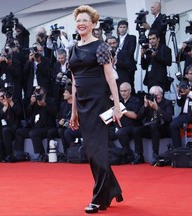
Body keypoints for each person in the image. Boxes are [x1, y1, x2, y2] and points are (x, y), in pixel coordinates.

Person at [69, 5, 123, 214]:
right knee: (92, 153)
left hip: (99, 103)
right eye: (78, 20)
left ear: (93, 24)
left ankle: (99, 198)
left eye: (85, 20)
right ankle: (113, 189)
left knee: (97, 151)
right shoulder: (74, 48)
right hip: (82, 104)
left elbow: (110, 77)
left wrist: (117, 106)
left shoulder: (100, 47)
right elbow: (74, 83)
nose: (81, 23)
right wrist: (73, 111)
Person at [132, 85, 173, 164]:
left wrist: (157, 108)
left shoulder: (167, 102)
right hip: (149, 127)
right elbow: (139, 117)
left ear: (161, 94)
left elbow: (169, 118)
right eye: (152, 95)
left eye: (157, 95)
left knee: (154, 126)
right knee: (136, 130)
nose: (155, 98)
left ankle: (155, 154)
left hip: (162, 128)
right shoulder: (149, 102)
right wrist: (145, 106)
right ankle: (139, 155)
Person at [114, 82, 141, 161]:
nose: (123, 93)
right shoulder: (119, 101)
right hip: (119, 126)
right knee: (105, 133)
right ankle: (117, 153)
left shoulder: (136, 100)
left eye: (125, 91)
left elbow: (135, 116)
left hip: (132, 126)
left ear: (130, 91)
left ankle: (129, 154)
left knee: (120, 132)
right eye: (121, 91)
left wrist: (123, 110)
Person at [115, 20, 137, 94]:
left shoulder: (132, 38)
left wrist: (119, 51)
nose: (122, 29)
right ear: (118, 28)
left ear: (127, 28)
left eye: (124, 27)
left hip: (129, 67)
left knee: (130, 86)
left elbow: (130, 52)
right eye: (120, 27)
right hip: (119, 66)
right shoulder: (116, 40)